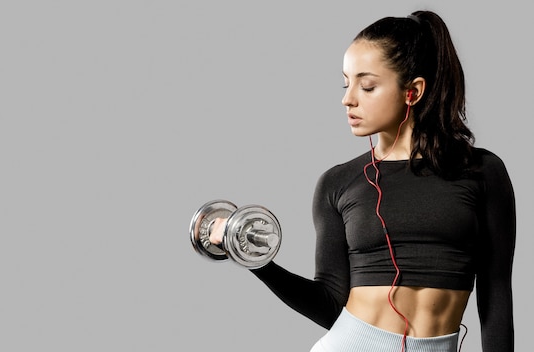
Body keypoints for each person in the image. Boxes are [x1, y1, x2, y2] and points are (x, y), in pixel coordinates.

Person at [208, 10, 515, 352]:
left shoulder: (483, 172)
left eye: (367, 86)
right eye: (346, 82)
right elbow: (329, 304)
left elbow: (496, 293)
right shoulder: (338, 183)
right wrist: (255, 261)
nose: (348, 98)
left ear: (412, 91)